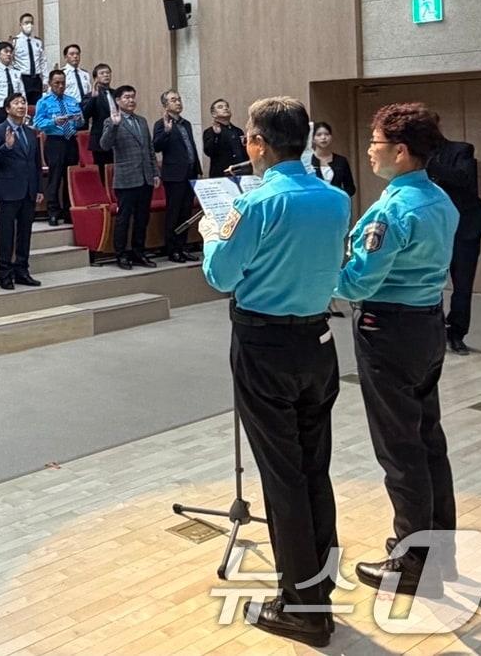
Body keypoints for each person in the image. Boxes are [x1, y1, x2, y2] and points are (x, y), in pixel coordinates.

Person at [198, 96, 352, 647]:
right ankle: (319, 588)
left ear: (259, 144)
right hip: (318, 342)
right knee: (313, 468)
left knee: (282, 476)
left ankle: (303, 608)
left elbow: (221, 276)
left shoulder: (255, 203)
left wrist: (213, 233)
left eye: (249, 136)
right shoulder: (336, 199)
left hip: (265, 346)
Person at [333, 102, 460, 597]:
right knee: (428, 440)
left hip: (388, 329)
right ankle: (439, 551)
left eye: (376, 143)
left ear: (401, 151)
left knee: (399, 449)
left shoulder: (392, 210)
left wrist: (321, 277)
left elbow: (359, 280)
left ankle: (411, 562)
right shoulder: (440, 199)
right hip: (428, 324)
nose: (369, 151)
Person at [427, 126, 481, 355]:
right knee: (431, 282)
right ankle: (434, 330)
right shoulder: (415, 155)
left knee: (463, 284)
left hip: (465, 226)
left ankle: (457, 333)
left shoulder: (461, 150)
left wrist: (429, 163)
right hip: (435, 227)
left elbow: (463, 178)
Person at [99, 85, 159, 270]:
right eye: (126, 97)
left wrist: (155, 173)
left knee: (142, 218)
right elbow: (104, 145)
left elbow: (149, 149)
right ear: (118, 101)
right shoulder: (111, 121)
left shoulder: (142, 121)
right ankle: (121, 254)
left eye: (133, 97)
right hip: (126, 178)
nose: (131, 100)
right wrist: (114, 125)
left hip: (145, 177)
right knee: (124, 218)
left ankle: (138, 252)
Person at [0, 93, 43, 289]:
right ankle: (4, 273)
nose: (21, 106)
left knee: (24, 233)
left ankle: (22, 270)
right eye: (16, 103)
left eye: (23, 103)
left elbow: (36, 163)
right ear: (7, 108)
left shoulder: (30, 132)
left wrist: (38, 188)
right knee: (6, 234)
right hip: (8, 190)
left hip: (28, 190)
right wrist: (7, 147)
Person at [153, 89, 201, 264]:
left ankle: (182, 247)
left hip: (190, 173)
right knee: (174, 213)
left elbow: (191, 147)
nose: (178, 102)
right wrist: (166, 132)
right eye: (173, 100)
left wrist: (198, 169)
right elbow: (156, 146)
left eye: (179, 99)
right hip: (174, 175)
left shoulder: (186, 123)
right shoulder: (161, 124)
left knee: (185, 213)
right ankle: (172, 249)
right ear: (165, 105)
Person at [32, 69, 82, 225]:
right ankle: (53, 212)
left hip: (71, 141)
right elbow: (37, 123)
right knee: (55, 178)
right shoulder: (44, 102)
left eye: (63, 83)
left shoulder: (72, 100)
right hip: (55, 141)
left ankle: (68, 211)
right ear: (50, 83)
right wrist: (54, 122)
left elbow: (80, 122)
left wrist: (79, 120)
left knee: (69, 177)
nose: (60, 86)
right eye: (57, 83)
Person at [80, 64, 117, 179]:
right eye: (102, 73)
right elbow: (85, 114)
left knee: (116, 173)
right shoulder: (90, 96)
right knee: (103, 174)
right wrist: (93, 97)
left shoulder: (116, 94)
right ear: (96, 78)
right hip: (100, 139)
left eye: (108, 73)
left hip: (117, 139)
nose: (106, 75)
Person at [305, 121, 357, 197]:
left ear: (331, 137)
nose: (323, 137)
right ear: (313, 139)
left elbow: (350, 188)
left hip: (337, 201)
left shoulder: (341, 161)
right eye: (319, 135)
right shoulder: (308, 161)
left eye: (327, 134)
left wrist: (339, 195)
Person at [203, 98, 249, 178]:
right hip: (222, 174)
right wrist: (216, 135)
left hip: (240, 173)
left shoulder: (238, 131)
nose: (225, 108)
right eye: (220, 107)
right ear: (214, 114)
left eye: (227, 106)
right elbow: (209, 151)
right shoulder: (210, 131)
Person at [12, 13, 46, 105]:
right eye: (26, 23)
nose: (29, 25)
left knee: (38, 105)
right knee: (23, 104)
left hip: (36, 79)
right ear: (20, 25)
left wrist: (45, 79)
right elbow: (12, 61)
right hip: (23, 78)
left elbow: (42, 61)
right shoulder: (15, 41)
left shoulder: (37, 41)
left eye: (31, 22)